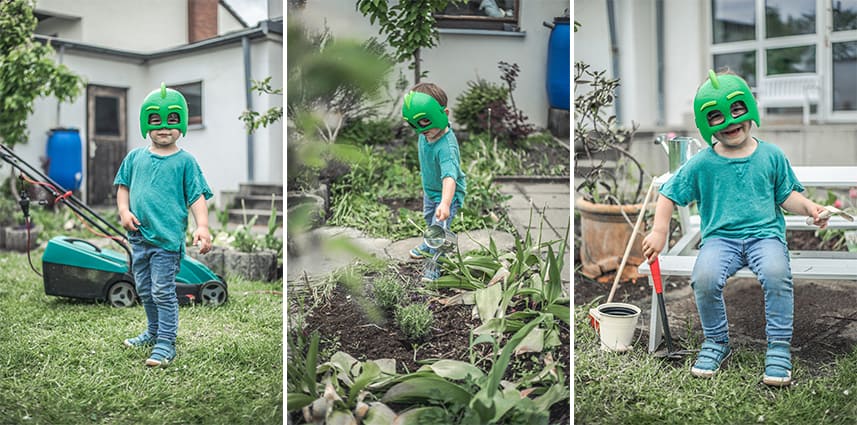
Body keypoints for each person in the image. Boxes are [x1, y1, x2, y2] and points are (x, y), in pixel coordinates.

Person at [641, 70, 829, 386]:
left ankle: (779, 347)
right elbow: (669, 192)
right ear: (705, 124)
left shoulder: (771, 155)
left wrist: (810, 208)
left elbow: (787, 196)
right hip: (720, 240)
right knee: (704, 278)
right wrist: (659, 232)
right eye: (716, 115)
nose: (730, 121)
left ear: (750, 108)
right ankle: (716, 341)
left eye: (737, 109)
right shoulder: (702, 163)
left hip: (764, 236)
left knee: (776, 275)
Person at [114, 82, 213, 367]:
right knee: (144, 289)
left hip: (166, 242)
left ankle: (166, 343)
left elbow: (197, 197)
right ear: (146, 124)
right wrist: (123, 210)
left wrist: (202, 226)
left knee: (162, 291)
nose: (164, 128)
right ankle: (152, 331)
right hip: (139, 238)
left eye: (172, 120)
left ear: (181, 123)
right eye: (156, 121)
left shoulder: (186, 162)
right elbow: (123, 187)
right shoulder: (135, 157)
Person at [401, 82, 467, 282]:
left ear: (444, 114)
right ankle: (426, 244)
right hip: (431, 192)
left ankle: (435, 266)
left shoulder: (446, 147)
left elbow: (449, 177)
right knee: (429, 219)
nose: (422, 131)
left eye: (425, 123)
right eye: (416, 126)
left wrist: (445, 203)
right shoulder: (427, 133)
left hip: (446, 196)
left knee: (439, 233)